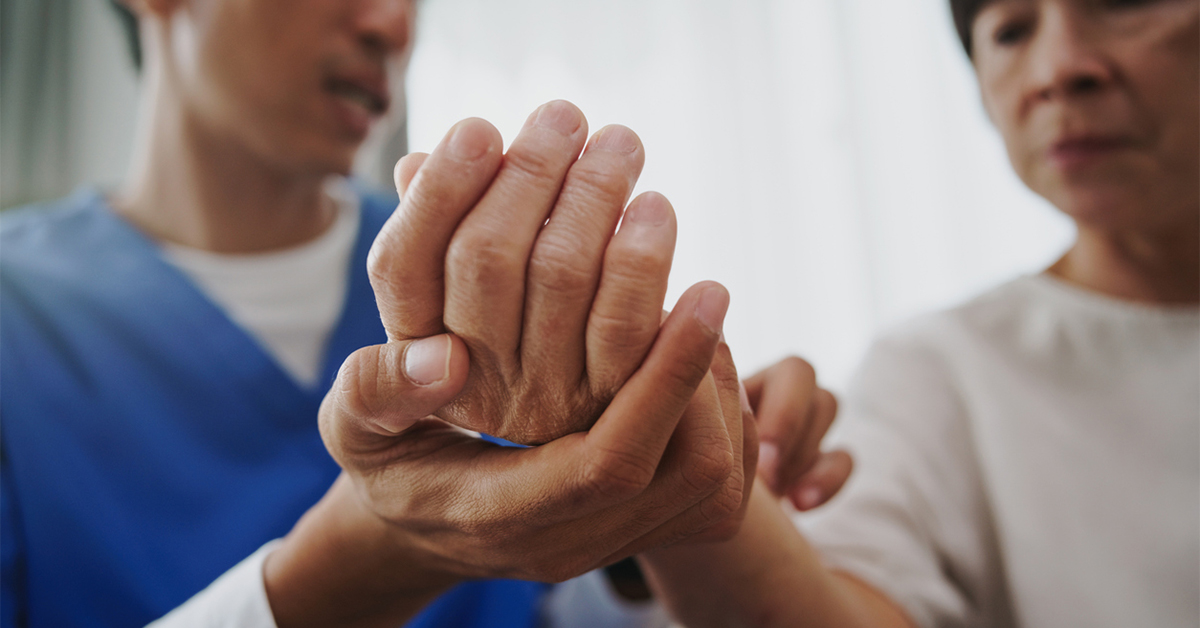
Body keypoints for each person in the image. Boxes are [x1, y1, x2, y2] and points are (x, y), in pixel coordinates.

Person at [0, 0, 845, 626]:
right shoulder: (20, 317)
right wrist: (350, 567)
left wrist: (646, 506)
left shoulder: (489, 279)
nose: (392, 24)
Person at [634, 0, 1199, 626]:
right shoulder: (942, 369)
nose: (1058, 70)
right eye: (1011, 31)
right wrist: (677, 471)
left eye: (1123, 5)